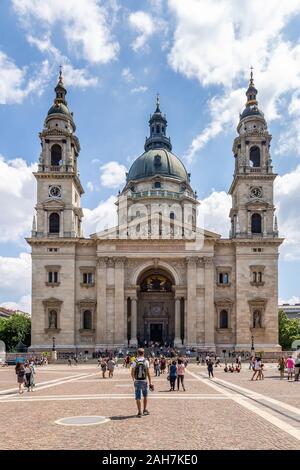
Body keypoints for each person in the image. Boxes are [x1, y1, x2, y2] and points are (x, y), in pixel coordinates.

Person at [131, 348, 152, 418]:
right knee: (145, 396)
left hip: (137, 381)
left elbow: (132, 372)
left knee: (138, 397)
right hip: (144, 381)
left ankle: (139, 412)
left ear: (137, 353)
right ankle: (144, 409)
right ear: (143, 353)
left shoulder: (135, 361)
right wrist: (150, 382)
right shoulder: (146, 361)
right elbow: (148, 372)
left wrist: (133, 379)